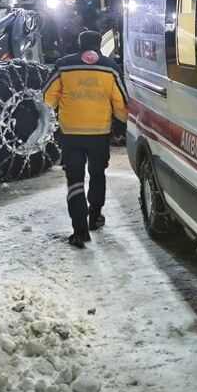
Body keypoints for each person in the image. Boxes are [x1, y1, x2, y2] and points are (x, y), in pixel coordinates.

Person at [42, 29, 128, 248]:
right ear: (99, 44)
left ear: (79, 43)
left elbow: (47, 97)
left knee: (75, 181)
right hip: (99, 134)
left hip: (71, 135)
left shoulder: (64, 65)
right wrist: (121, 125)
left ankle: (79, 232)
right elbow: (121, 104)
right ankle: (95, 216)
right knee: (97, 175)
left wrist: (56, 109)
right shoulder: (110, 67)